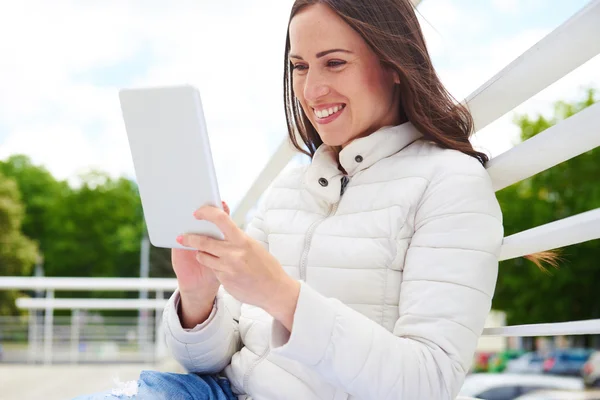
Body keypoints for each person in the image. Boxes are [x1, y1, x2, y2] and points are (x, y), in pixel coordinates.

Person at [75, 0, 506, 399]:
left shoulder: (450, 182)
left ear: (395, 65)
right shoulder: (288, 190)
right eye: (299, 67)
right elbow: (208, 360)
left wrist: (282, 295)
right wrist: (198, 297)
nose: (312, 90)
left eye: (334, 63)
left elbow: (428, 382)